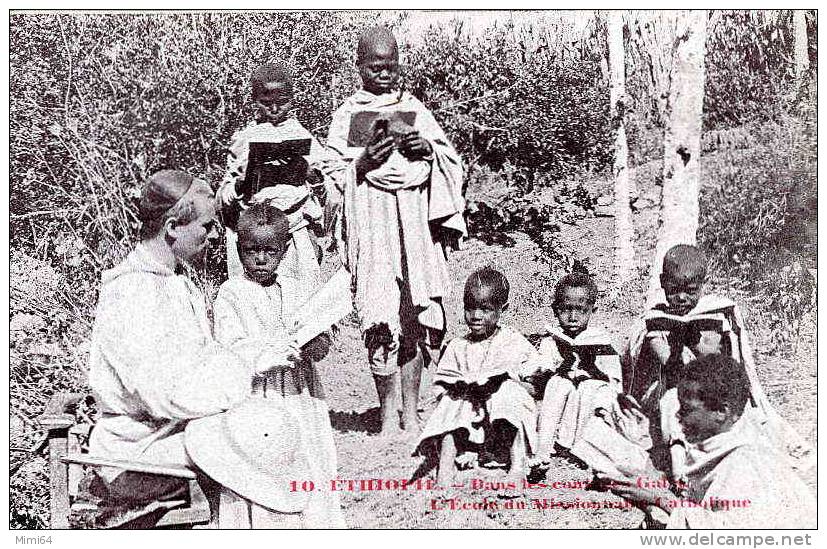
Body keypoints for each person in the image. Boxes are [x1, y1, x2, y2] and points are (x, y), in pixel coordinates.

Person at [87, 170, 293, 504]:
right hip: (138, 455)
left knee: (277, 431)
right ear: (171, 228)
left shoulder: (176, 279)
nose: (215, 235)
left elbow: (201, 360)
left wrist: (256, 353)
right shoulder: (131, 291)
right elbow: (164, 394)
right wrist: (244, 371)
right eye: (207, 226)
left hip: (178, 434)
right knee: (259, 447)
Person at [326, 26, 466, 435]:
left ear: (399, 64)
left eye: (390, 66)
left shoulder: (415, 108)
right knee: (380, 315)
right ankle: (386, 411)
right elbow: (332, 173)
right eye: (374, 67)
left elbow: (449, 159)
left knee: (414, 314)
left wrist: (428, 152)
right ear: (359, 67)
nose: (383, 74)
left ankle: (412, 408)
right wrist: (364, 164)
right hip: (372, 222)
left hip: (413, 222)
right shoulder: (347, 114)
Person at [622, 244, 813, 478]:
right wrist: (676, 342)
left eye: (690, 291)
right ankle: (681, 471)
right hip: (675, 388)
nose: (681, 297)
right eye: (673, 290)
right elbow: (671, 370)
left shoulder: (715, 314)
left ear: (703, 284)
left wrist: (694, 340)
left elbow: (721, 364)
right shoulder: (656, 319)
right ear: (662, 282)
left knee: (745, 420)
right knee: (673, 404)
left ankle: (738, 463)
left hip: (712, 390)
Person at [208, 203, 345, 528]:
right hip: (260, 396)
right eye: (251, 250)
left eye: (270, 251)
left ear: (284, 251)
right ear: (239, 248)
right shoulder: (232, 294)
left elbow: (321, 337)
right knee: (264, 466)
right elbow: (231, 348)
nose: (260, 259)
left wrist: (314, 344)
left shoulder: (297, 288)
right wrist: (267, 351)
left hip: (301, 398)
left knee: (307, 459)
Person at [603, 354, 816, 529]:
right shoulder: (723, 445)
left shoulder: (747, 461)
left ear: (722, 411)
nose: (677, 417)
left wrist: (662, 500)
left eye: (686, 409)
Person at [216, 61, 343, 291]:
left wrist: (309, 173)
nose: (274, 109)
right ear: (255, 101)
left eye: (282, 103)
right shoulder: (245, 138)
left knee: (300, 296)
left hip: (295, 231)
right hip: (257, 232)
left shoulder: (301, 134)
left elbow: (326, 185)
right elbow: (224, 196)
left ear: (291, 101)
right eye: (266, 104)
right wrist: (243, 181)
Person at [413, 268, 538, 486]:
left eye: (485, 309)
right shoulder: (457, 346)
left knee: (509, 393)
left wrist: (506, 384)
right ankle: (446, 466)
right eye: (469, 308)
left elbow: (536, 380)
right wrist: (461, 388)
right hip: (468, 422)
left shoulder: (513, 341)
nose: (476, 316)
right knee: (452, 401)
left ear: (502, 309)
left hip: (500, 422)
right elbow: (441, 384)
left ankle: (518, 465)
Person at [529, 273, 649, 480]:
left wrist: (591, 369)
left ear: (593, 310)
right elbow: (542, 370)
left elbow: (613, 380)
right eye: (566, 310)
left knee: (589, 389)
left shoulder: (600, 339)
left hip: (589, 389)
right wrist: (559, 369)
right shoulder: (551, 341)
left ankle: (582, 446)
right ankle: (543, 449)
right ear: (556, 310)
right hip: (563, 388)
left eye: (581, 310)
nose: (573, 317)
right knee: (559, 384)